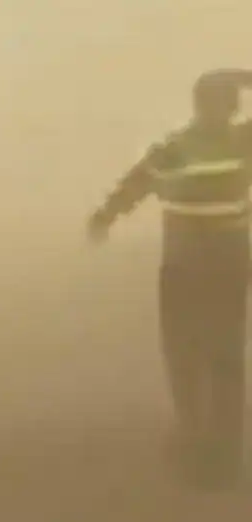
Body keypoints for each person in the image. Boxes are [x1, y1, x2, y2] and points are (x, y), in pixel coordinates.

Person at [87, 69, 252, 482]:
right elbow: (136, 184)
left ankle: (196, 441)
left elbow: (135, 184)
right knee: (224, 355)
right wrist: (242, 77)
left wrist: (105, 217)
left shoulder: (176, 147)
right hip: (227, 262)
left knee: (185, 354)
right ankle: (222, 455)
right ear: (233, 106)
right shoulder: (242, 142)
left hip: (184, 264)